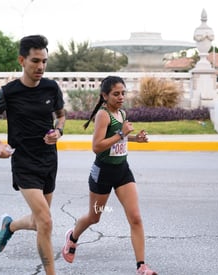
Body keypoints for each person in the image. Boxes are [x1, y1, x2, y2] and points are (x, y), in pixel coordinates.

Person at [0, 34, 65, 275]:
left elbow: (61, 115)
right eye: (35, 61)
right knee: (46, 223)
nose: (40, 67)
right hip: (24, 163)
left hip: (49, 159)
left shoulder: (52, 87)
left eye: (44, 61)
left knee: (40, 220)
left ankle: (9, 226)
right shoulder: (9, 92)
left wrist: (58, 132)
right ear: (22, 60)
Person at [61, 76, 157, 275]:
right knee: (94, 217)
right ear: (104, 96)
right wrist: (121, 134)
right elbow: (97, 147)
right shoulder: (103, 115)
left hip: (122, 171)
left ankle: (141, 266)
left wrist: (134, 139)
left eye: (123, 93)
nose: (121, 97)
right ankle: (73, 237)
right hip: (102, 174)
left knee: (136, 218)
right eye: (116, 94)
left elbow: (116, 137)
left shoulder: (121, 112)